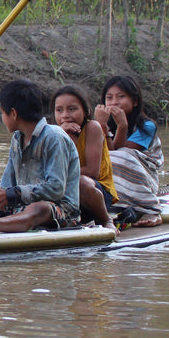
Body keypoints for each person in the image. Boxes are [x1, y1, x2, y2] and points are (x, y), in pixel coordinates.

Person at [0, 79, 81, 233]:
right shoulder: (16, 139)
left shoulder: (54, 137)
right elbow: (7, 183)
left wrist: (15, 193)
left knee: (39, 209)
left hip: (61, 209)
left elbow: (56, 188)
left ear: (13, 114)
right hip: (21, 204)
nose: (2, 118)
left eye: (2, 113)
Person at [94, 75, 163, 227]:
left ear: (135, 101)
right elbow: (108, 154)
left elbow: (122, 154)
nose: (114, 102)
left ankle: (152, 209)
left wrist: (122, 127)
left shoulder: (147, 126)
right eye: (109, 97)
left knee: (120, 157)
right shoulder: (105, 123)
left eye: (121, 97)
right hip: (117, 177)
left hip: (142, 178)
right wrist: (102, 126)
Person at [52, 84, 120, 234]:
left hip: (95, 193)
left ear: (86, 111)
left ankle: (106, 220)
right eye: (59, 110)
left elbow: (92, 172)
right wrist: (62, 137)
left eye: (72, 109)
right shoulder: (53, 134)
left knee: (81, 181)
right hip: (64, 192)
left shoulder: (92, 128)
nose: (65, 115)